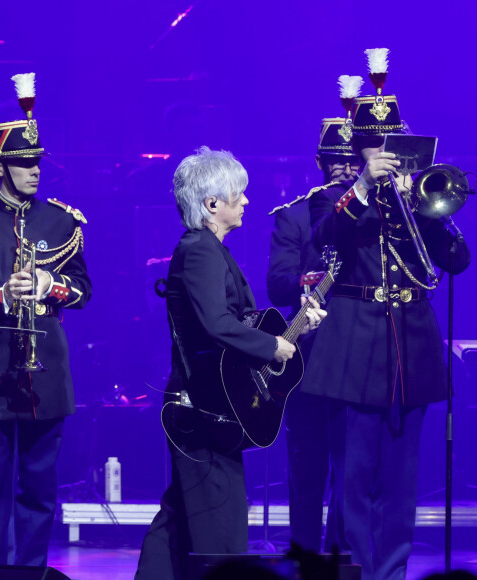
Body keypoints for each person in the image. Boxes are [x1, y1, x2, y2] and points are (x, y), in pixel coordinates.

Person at [303, 49, 471, 579]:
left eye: (391, 147)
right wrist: (364, 189)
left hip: (413, 345)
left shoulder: (415, 199)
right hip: (354, 349)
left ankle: (392, 572)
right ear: (361, 151)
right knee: (354, 478)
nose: (386, 156)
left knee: (402, 480)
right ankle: (354, 571)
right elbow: (325, 237)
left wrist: (429, 210)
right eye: (375, 148)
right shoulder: (333, 198)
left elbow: (457, 262)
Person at [135, 146, 327, 579]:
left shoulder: (210, 249)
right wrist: (271, 347)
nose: (246, 201)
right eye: (238, 194)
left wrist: (295, 332)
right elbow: (217, 324)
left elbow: (236, 325)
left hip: (213, 408)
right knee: (218, 526)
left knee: (181, 518)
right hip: (201, 410)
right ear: (212, 204)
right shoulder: (200, 250)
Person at [0, 73, 92, 566]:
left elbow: (84, 291)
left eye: (36, 162)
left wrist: (52, 287)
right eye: (23, 164)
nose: (34, 171)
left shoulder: (61, 220)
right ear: (1, 167)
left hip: (46, 371)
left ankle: (29, 574)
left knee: (38, 486)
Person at [266, 76, 362, 553]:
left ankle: (342, 550)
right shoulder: (295, 216)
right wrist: (314, 279)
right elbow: (277, 281)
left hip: (358, 351)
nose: (346, 170)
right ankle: (304, 550)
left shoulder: (371, 214)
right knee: (306, 460)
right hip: (308, 351)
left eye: (353, 161)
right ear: (320, 163)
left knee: (351, 460)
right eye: (337, 162)